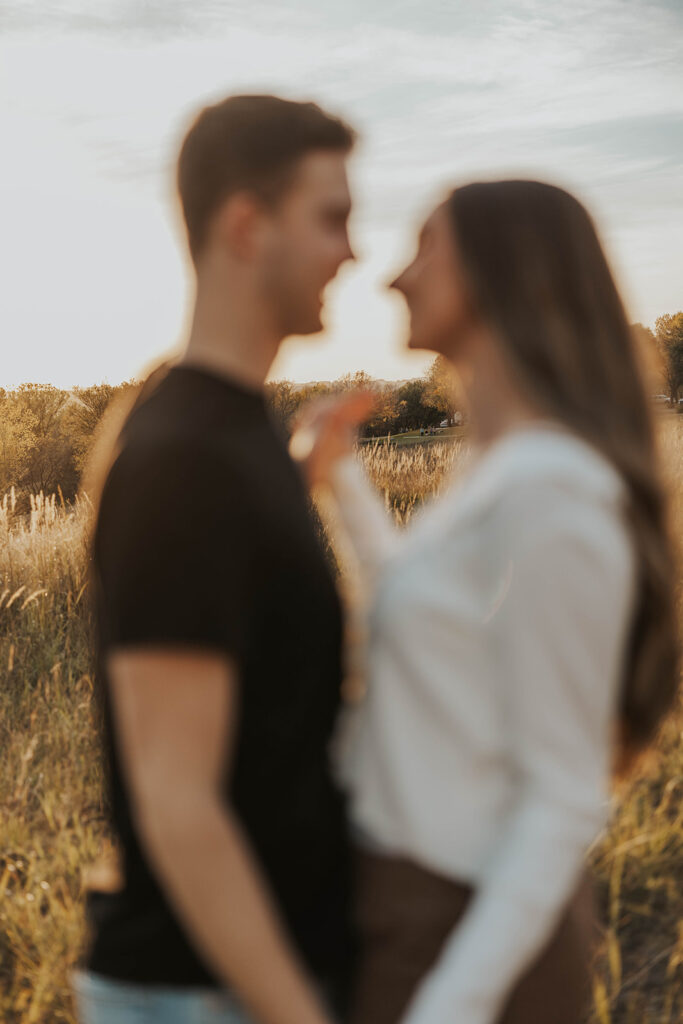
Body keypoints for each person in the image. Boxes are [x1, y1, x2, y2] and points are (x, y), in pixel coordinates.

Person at [293, 180, 679, 1024]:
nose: (396, 277)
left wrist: (450, 1007)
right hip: (407, 912)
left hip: (467, 939)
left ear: (500, 274)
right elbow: (421, 622)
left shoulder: (555, 489)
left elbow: (562, 798)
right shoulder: (498, 470)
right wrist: (345, 485)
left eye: (426, 245)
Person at [73, 94, 357, 1024]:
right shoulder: (187, 457)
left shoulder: (229, 431)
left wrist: (302, 478)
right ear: (246, 225)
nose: (349, 253)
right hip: (206, 991)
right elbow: (177, 799)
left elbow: (235, 582)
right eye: (331, 218)